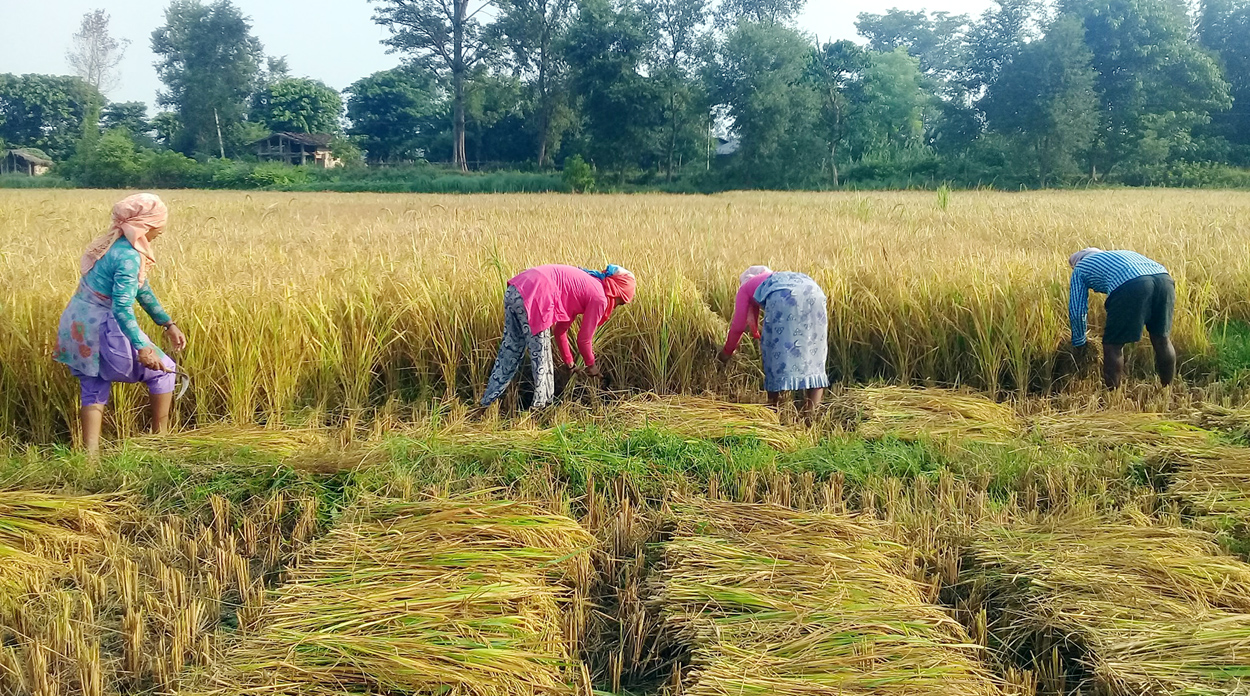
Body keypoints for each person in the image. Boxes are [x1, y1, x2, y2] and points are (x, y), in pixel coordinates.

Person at [54, 193, 187, 457]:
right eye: (160, 223)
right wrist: (142, 347)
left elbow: (141, 290)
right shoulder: (129, 256)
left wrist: (167, 323)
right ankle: (160, 442)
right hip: (101, 326)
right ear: (146, 225)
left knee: (93, 385)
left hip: (78, 325)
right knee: (164, 370)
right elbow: (122, 307)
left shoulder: (113, 246)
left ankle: (90, 459)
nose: (163, 229)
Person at [481, 264, 636, 410]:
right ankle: (540, 409)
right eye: (620, 302)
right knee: (542, 357)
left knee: (510, 349)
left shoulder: (585, 287)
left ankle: (487, 402)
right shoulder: (599, 298)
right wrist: (592, 366)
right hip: (537, 294)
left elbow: (560, 331)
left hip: (516, 290)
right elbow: (584, 340)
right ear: (615, 291)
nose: (615, 306)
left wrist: (569, 363)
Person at [719, 266, 829, 419]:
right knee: (814, 353)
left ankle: (773, 410)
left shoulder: (746, 288)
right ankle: (810, 415)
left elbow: (738, 326)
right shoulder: (777, 278)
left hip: (783, 297)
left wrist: (726, 353)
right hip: (815, 293)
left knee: (774, 350)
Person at [1068, 247, 1176, 388]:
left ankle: (1112, 394)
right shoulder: (1118, 256)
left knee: (1112, 345)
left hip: (1132, 284)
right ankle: (1167, 388)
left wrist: (1079, 342)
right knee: (1162, 340)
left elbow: (1077, 310)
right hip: (1165, 280)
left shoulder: (1080, 268)